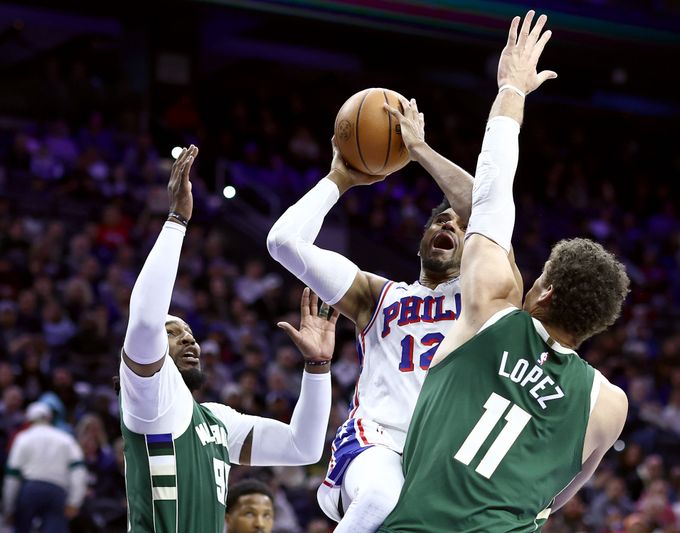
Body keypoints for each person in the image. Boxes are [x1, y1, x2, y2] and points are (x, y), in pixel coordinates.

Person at [379, 11, 629, 532]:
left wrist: (511, 90)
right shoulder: (609, 405)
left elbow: (492, 195)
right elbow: (557, 499)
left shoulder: (491, 311)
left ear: (543, 292)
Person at [267, 87, 523, 532]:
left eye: (462, 227)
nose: (449, 224)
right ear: (422, 238)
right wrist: (340, 179)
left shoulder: (492, 298)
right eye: (440, 220)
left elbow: (487, 209)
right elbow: (283, 243)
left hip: (447, 460)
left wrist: (420, 150)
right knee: (383, 497)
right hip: (376, 442)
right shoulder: (378, 296)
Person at [120, 145, 337, 533]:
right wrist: (176, 220)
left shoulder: (218, 422)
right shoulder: (148, 399)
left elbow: (304, 446)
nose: (189, 340)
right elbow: (143, 321)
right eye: (173, 333)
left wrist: (317, 367)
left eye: (190, 333)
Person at [2, 402, 87, 533]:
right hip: (57, 491)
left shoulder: (23, 438)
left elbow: (12, 475)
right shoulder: (66, 439)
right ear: (50, 418)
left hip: (30, 490)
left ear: (28, 419)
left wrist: (9, 508)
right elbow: (79, 471)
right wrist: (74, 502)